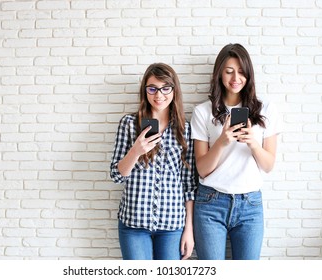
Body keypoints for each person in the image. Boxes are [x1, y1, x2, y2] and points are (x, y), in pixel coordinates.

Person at [191, 43, 281, 260]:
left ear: (248, 74)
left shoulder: (265, 109)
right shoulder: (203, 111)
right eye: (229, 71)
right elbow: (202, 169)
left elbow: (268, 166)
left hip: (250, 205)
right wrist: (222, 141)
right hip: (211, 203)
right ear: (219, 74)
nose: (235, 78)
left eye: (241, 71)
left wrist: (253, 144)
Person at [110, 63, 197, 260]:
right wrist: (135, 151)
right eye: (152, 89)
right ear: (145, 91)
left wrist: (189, 230)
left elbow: (189, 185)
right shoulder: (129, 124)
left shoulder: (185, 130)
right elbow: (116, 175)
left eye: (165, 88)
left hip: (172, 225)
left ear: (174, 90)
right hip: (134, 224)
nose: (159, 95)